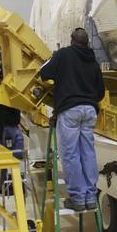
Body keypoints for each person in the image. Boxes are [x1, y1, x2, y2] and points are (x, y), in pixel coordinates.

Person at [39, 28, 105, 212]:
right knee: (88, 153)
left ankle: (77, 197)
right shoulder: (93, 61)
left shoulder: (63, 55)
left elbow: (43, 73)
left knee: (71, 154)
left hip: (70, 111)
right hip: (90, 110)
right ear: (86, 43)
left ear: (71, 40)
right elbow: (100, 92)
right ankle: (90, 197)